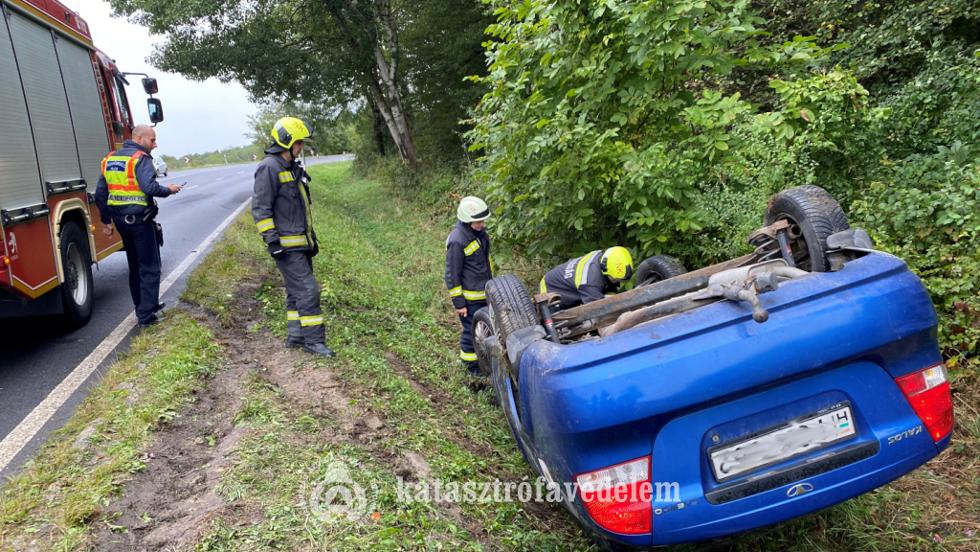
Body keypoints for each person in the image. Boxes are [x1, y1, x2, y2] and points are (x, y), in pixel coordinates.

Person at [253, 116, 335, 358]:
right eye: (299, 143)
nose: (301, 148)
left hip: (300, 244)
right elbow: (260, 209)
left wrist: (311, 240)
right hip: (286, 247)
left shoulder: (290, 168)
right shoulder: (269, 168)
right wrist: (272, 241)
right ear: (287, 142)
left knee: (295, 292)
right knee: (309, 290)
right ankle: (314, 342)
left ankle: (296, 336)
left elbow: (299, 208)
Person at [95, 125, 182, 328]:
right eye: (152, 140)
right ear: (140, 138)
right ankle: (146, 315)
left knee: (135, 267)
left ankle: (142, 306)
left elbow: (101, 193)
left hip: (121, 223)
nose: (155, 144)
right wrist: (169, 189)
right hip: (140, 222)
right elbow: (149, 187)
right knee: (150, 267)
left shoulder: (110, 159)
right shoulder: (140, 158)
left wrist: (106, 222)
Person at [445, 196, 492, 375]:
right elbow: (451, 275)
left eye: (482, 220)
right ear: (466, 220)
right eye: (478, 221)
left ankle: (484, 363)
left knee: (483, 330)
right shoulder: (457, 241)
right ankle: (471, 370)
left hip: (483, 295)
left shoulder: (478, 235)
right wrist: (459, 303)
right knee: (470, 333)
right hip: (470, 300)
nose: (482, 224)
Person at [539, 246, 634, 310]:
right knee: (560, 321)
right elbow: (598, 309)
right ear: (605, 270)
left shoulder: (603, 258)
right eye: (614, 279)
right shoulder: (589, 282)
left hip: (571, 282)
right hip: (551, 288)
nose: (616, 282)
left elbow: (610, 288)